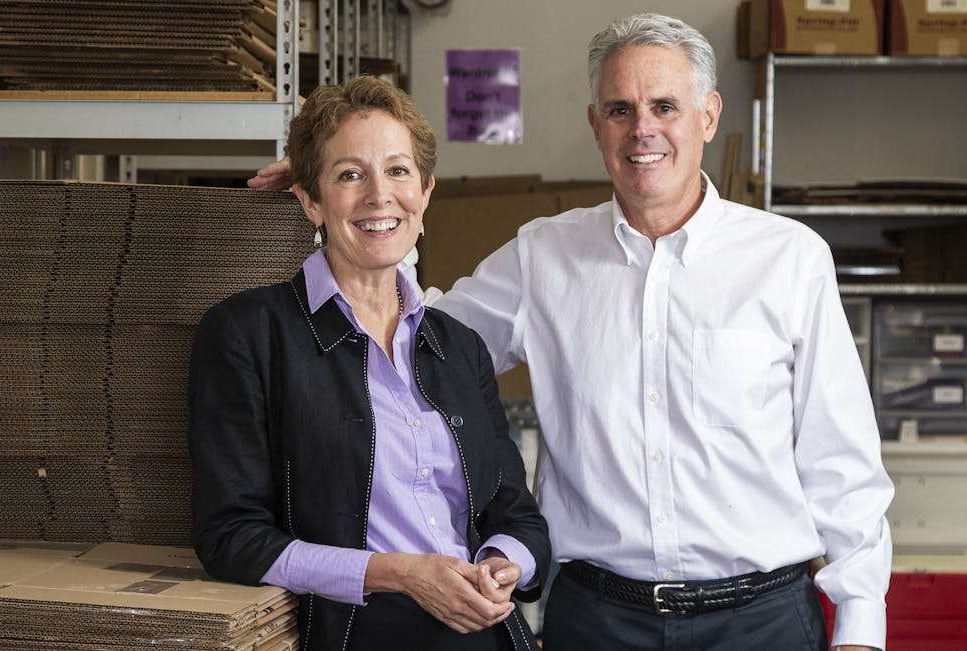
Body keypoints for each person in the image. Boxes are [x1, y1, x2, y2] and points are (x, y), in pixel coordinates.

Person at [250, 14, 893, 651]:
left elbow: (840, 458)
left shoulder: (789, 259)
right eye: (619, 108)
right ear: (595, 124)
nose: (642, 129)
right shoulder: (543, 257)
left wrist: (861, 624)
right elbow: (417, 332)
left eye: (664, 105)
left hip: (762, 621)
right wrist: (348, 187)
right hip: (597, 621)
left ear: (708, 114)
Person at [190, 75, 549, 651]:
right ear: (310, 199)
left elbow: (517, 511)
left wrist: (504, 563)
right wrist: (398, 573)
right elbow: (229, 537)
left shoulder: (460, 347)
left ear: (426, 191)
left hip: (487, 630)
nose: (380, 195)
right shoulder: (249, 334)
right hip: (359, 631)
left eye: (399, 170)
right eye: (350, 174)